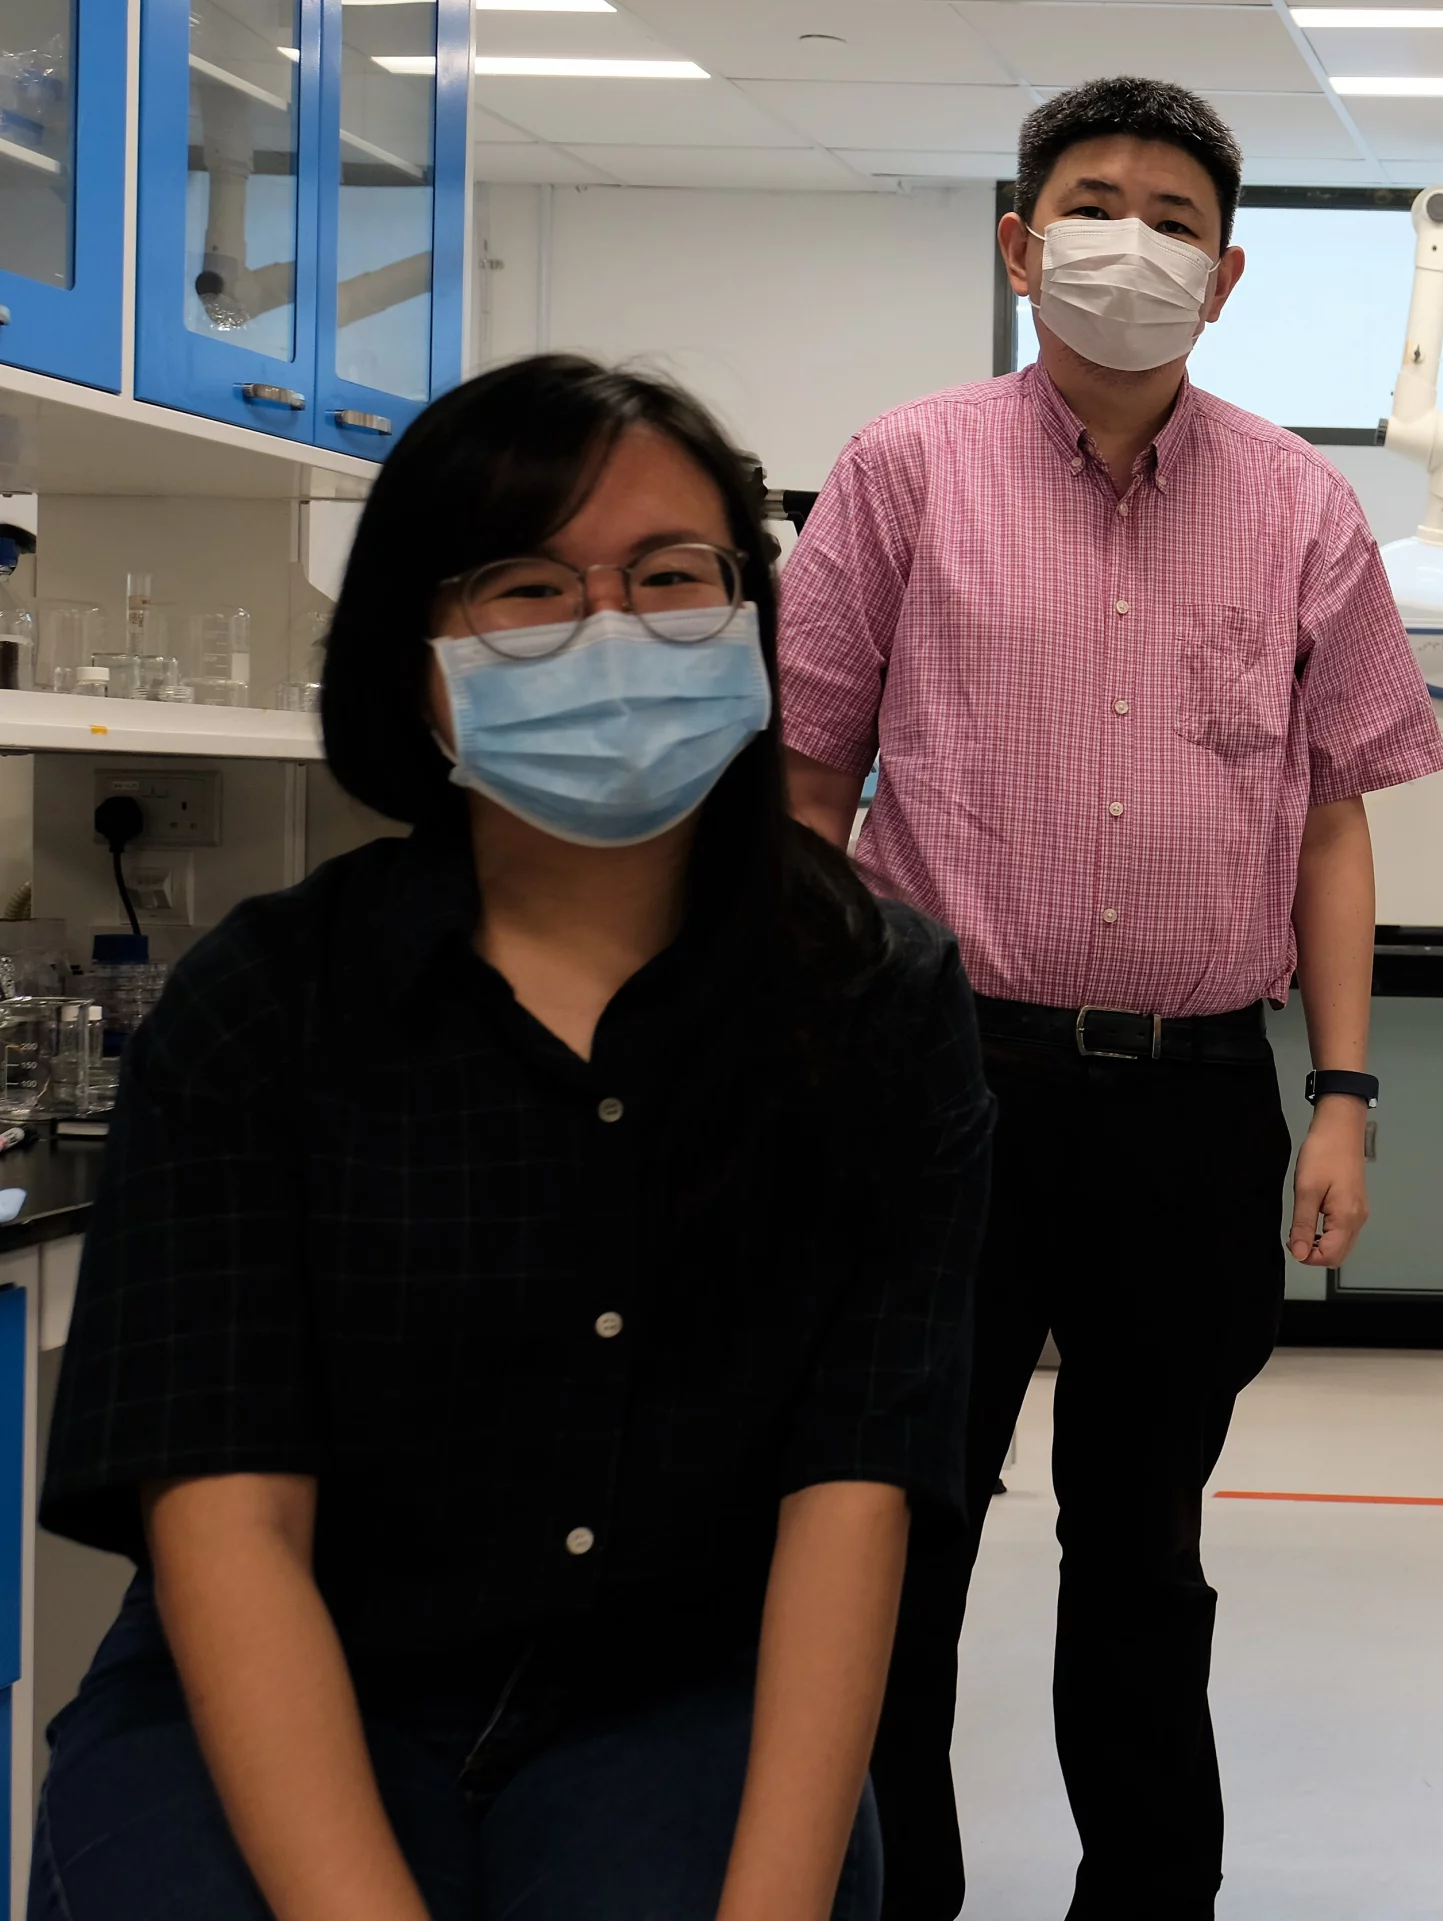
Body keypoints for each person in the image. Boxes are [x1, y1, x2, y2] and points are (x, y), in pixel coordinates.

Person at [32, 355, 993, 1919]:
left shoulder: (875, 1004)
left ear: (753, 614)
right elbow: (232, 1520)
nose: (611, 630)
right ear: (413, 657)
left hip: (674, 1700)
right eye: (527, 586)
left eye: (673, 576)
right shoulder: (262, 1008)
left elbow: (853, 1493)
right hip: (297, 1668)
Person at [776, 77, 1443, 1921]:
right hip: (940, 1088)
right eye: (1092, 203)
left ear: (1225, 277)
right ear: (1018, 241)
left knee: (1144, 1551)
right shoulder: (903, 470)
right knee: (891, 1536)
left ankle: (1150, 1898)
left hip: (1188, 1104)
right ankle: (881, 1892)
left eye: (1171, 218)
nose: (1127, 244)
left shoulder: (1305, 506)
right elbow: (807, 785)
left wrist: (1346, 1094)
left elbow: (1330, 825)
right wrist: (812, 1061)